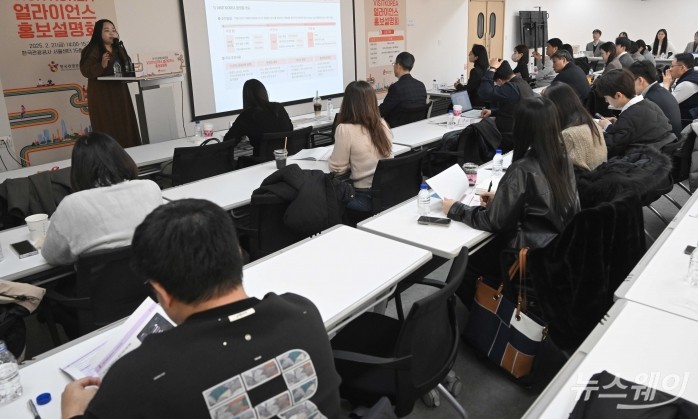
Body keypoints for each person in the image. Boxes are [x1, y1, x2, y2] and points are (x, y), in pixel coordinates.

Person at [60, 199, 342, 419]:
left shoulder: (137, 378)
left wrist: (72, 410)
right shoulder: (303, 313)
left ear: (162, 293)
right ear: (237, 257)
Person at [441, 96, 579, 304]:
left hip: (523, 254)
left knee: (466, 261)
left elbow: (493, 222)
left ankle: (465, 319)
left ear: (522, 128)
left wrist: (455, 208)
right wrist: (504, 199)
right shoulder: (562, 159)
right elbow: (543, 201)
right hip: (553, 249)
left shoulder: (522, 168)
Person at [41, 132, 162, 265]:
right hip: (151, 280)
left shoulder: (71, 204)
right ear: (122, 158)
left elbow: (52, 257)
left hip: (99, 283)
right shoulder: (150, 188)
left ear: (78, 169)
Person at [329, 81, 393, 212]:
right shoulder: (382, 124)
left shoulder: (344, 129)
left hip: (362, 197)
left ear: (347, 103)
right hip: (387, 194)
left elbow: (337, 170)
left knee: (322, 196)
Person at [79, 19, 141, 148]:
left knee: (125, 123)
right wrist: (101, 65)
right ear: (98, 33)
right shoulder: (91, 49)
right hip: (102, 94)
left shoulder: (118, 47)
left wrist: (121, 49)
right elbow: (86, 70)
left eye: (113, 30)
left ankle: (131, 155)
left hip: (120, 92)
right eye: (107, 31)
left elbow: (127, 65)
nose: (111, 33)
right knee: (107, 125)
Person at [596, 69, 676, 157]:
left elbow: (609, 147)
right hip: (657, 157)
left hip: (640, 162)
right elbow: (631, 130)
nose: (606, 101)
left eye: (606, 97)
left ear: (618, 95)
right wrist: (617, 125)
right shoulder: (650, 104)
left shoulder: (628, 117)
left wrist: (606, 127)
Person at [543, 83, 606, 171]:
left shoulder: (568, 134)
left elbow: (555, 166)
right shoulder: (591, 123)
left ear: (556, 107)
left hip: (582, 181)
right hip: (598, 175)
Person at [222, 79, 293, 156]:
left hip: (262, 162)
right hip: (286, 158)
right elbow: (290, 129)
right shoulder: (278, 108)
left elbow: (227, 142)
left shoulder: (246, 115)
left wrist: (242, 133)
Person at [478, 58, 534, 152]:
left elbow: (484, 92)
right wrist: (492, 111)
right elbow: (513, 106)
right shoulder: (522, 83)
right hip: (520, 133)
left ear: (499, 81)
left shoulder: (511, 88)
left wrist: (492, 69)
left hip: (507, 137)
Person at [629, 60, 682, 136]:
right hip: (671, 141)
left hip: (660, 144)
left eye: (630, 81)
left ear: (640, 80)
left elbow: (637, 130)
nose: (629, 85)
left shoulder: (649, 100)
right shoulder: (663, 91)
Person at [378, 51, 427, 127]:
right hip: (417, 129)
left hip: (396, 130)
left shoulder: (396, 88)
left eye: (394, 64)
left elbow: (382, 111)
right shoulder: (421, 85)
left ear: (398, 66)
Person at [662, 53, 698, 120]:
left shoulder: (687, 84)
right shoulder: (694, 74)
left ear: (682, 68)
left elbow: (666, 103)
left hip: (684, 121)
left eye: (672, 66)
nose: (670, 69)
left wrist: (666, 85)